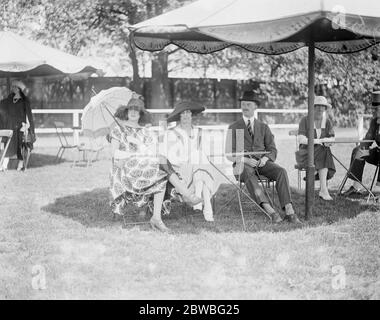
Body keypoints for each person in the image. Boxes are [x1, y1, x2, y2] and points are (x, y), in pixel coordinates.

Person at [109, 97, 202, 232]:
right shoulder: (118, 130)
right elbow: (114, 153)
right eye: (131, 109)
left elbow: (152, 151)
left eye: (137, 110)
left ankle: (157, 217)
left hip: (145, 166)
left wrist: (139, 144)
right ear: (126, 111)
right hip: (127, 170)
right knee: (162, 165)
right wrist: (131, 153)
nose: (134, 112)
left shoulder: (145, 131)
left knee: (162, 165)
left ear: (141, 113)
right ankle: (186, 194)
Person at [225, 90, 301, 224]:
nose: (245, 107)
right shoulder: (234, 127)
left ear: (255, 107)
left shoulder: (263, 127)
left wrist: (265, 159)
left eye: (248, 104)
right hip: (242, 166)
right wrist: (246, 160)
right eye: (243, 104)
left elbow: (272, 149)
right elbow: (229, 154)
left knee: (281, 172)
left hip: (262, 164)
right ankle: (270, 210)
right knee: (248, 172)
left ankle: (289, 211)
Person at [165, 101, 220, 222]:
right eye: (182, 113)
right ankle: (207, 206)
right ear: (179, 116)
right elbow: (171, 158)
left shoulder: (200, 132)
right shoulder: (172, 133)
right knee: (197, 157)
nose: (185, 116)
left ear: (191, 115)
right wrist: (189, 159)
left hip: (200, 168)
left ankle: (199, 199)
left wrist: (195, 158)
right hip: (182, 171)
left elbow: (206, 154)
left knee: (199, 157)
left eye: (188, 113)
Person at [296, 96, 336, 201]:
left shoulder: (327, 122)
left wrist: (328, 141)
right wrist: (318, 141)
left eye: (323, 107)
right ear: (313, 107)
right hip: (305, 153)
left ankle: (317, 185)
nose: (320, 109)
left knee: (325, 150)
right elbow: (301, 139)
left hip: (320, 153)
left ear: (325, 109)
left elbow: (332, 138)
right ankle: (323, 189)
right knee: (324, 151)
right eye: (318, 107)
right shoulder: (305, 120)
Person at [342, 91, 380, 196]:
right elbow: (368, 139)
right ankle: (356, 186)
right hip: (377, 154)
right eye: (373, 109)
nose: (373, 111)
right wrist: (361, 145)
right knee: (358, 151)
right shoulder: (374, 122)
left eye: (376, 109)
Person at [0, 80, 35, 171]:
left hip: (21, 127)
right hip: (10, 125)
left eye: (15, 87)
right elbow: (3, 108)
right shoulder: (8, 100)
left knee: (21, 145)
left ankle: (20, 164)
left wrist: (30, 127)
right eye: (12, 87)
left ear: (19, 89)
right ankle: (4, 165)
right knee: (9, 145)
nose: (13, 88)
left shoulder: (25, 101)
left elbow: (29, 115)